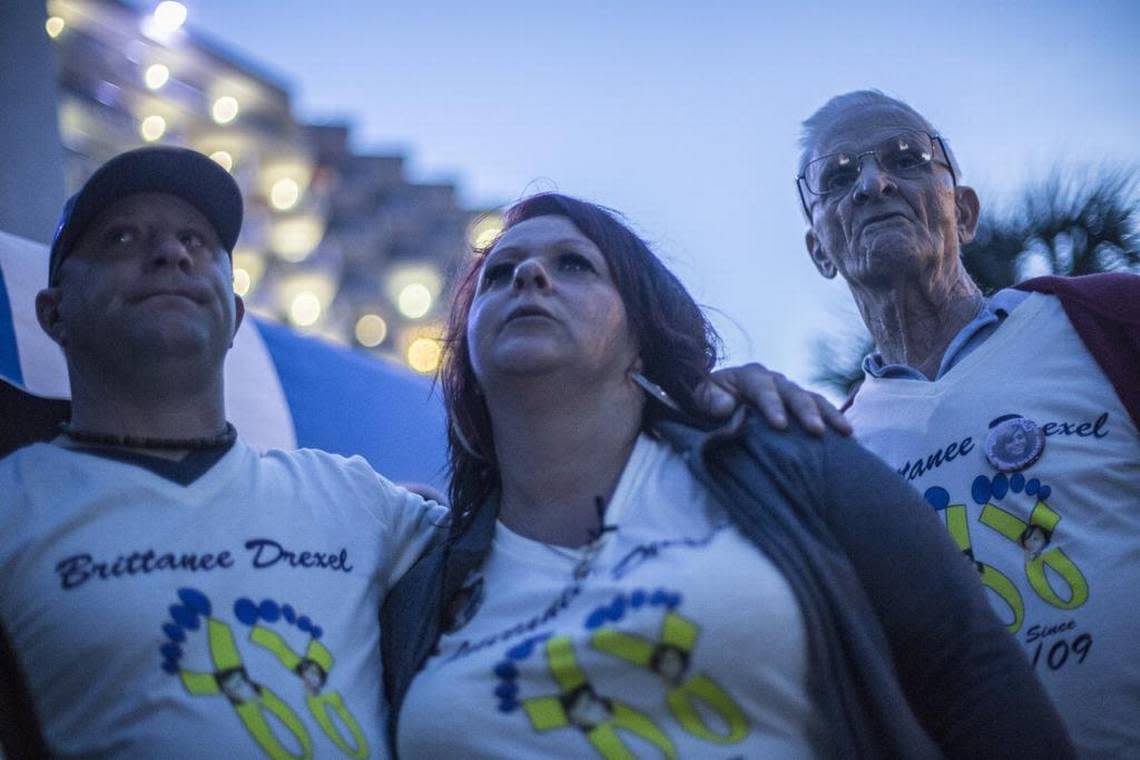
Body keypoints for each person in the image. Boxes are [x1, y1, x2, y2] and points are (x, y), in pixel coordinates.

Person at [0, 147, 846, 758]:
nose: (171, 252)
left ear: (234, 307)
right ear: (52, 312)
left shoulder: (359, 505)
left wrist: (710, 393)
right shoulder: (15, 506)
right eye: (122, 240)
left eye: (200, 243)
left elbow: (547, 493)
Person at [381, 193, 1072, 758]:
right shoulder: (420, 583)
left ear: (641, 333)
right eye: (500, 274)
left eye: (574, 266)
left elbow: (972, 676)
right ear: (466, 349)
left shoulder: (785, 459)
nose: (530, 278)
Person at [796, 89, 1140, 757]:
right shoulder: (828, 455)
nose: (875, 182)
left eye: (909, 159)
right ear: (820, 251)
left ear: (967, 211)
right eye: (839, 176)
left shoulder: (1110, 321)